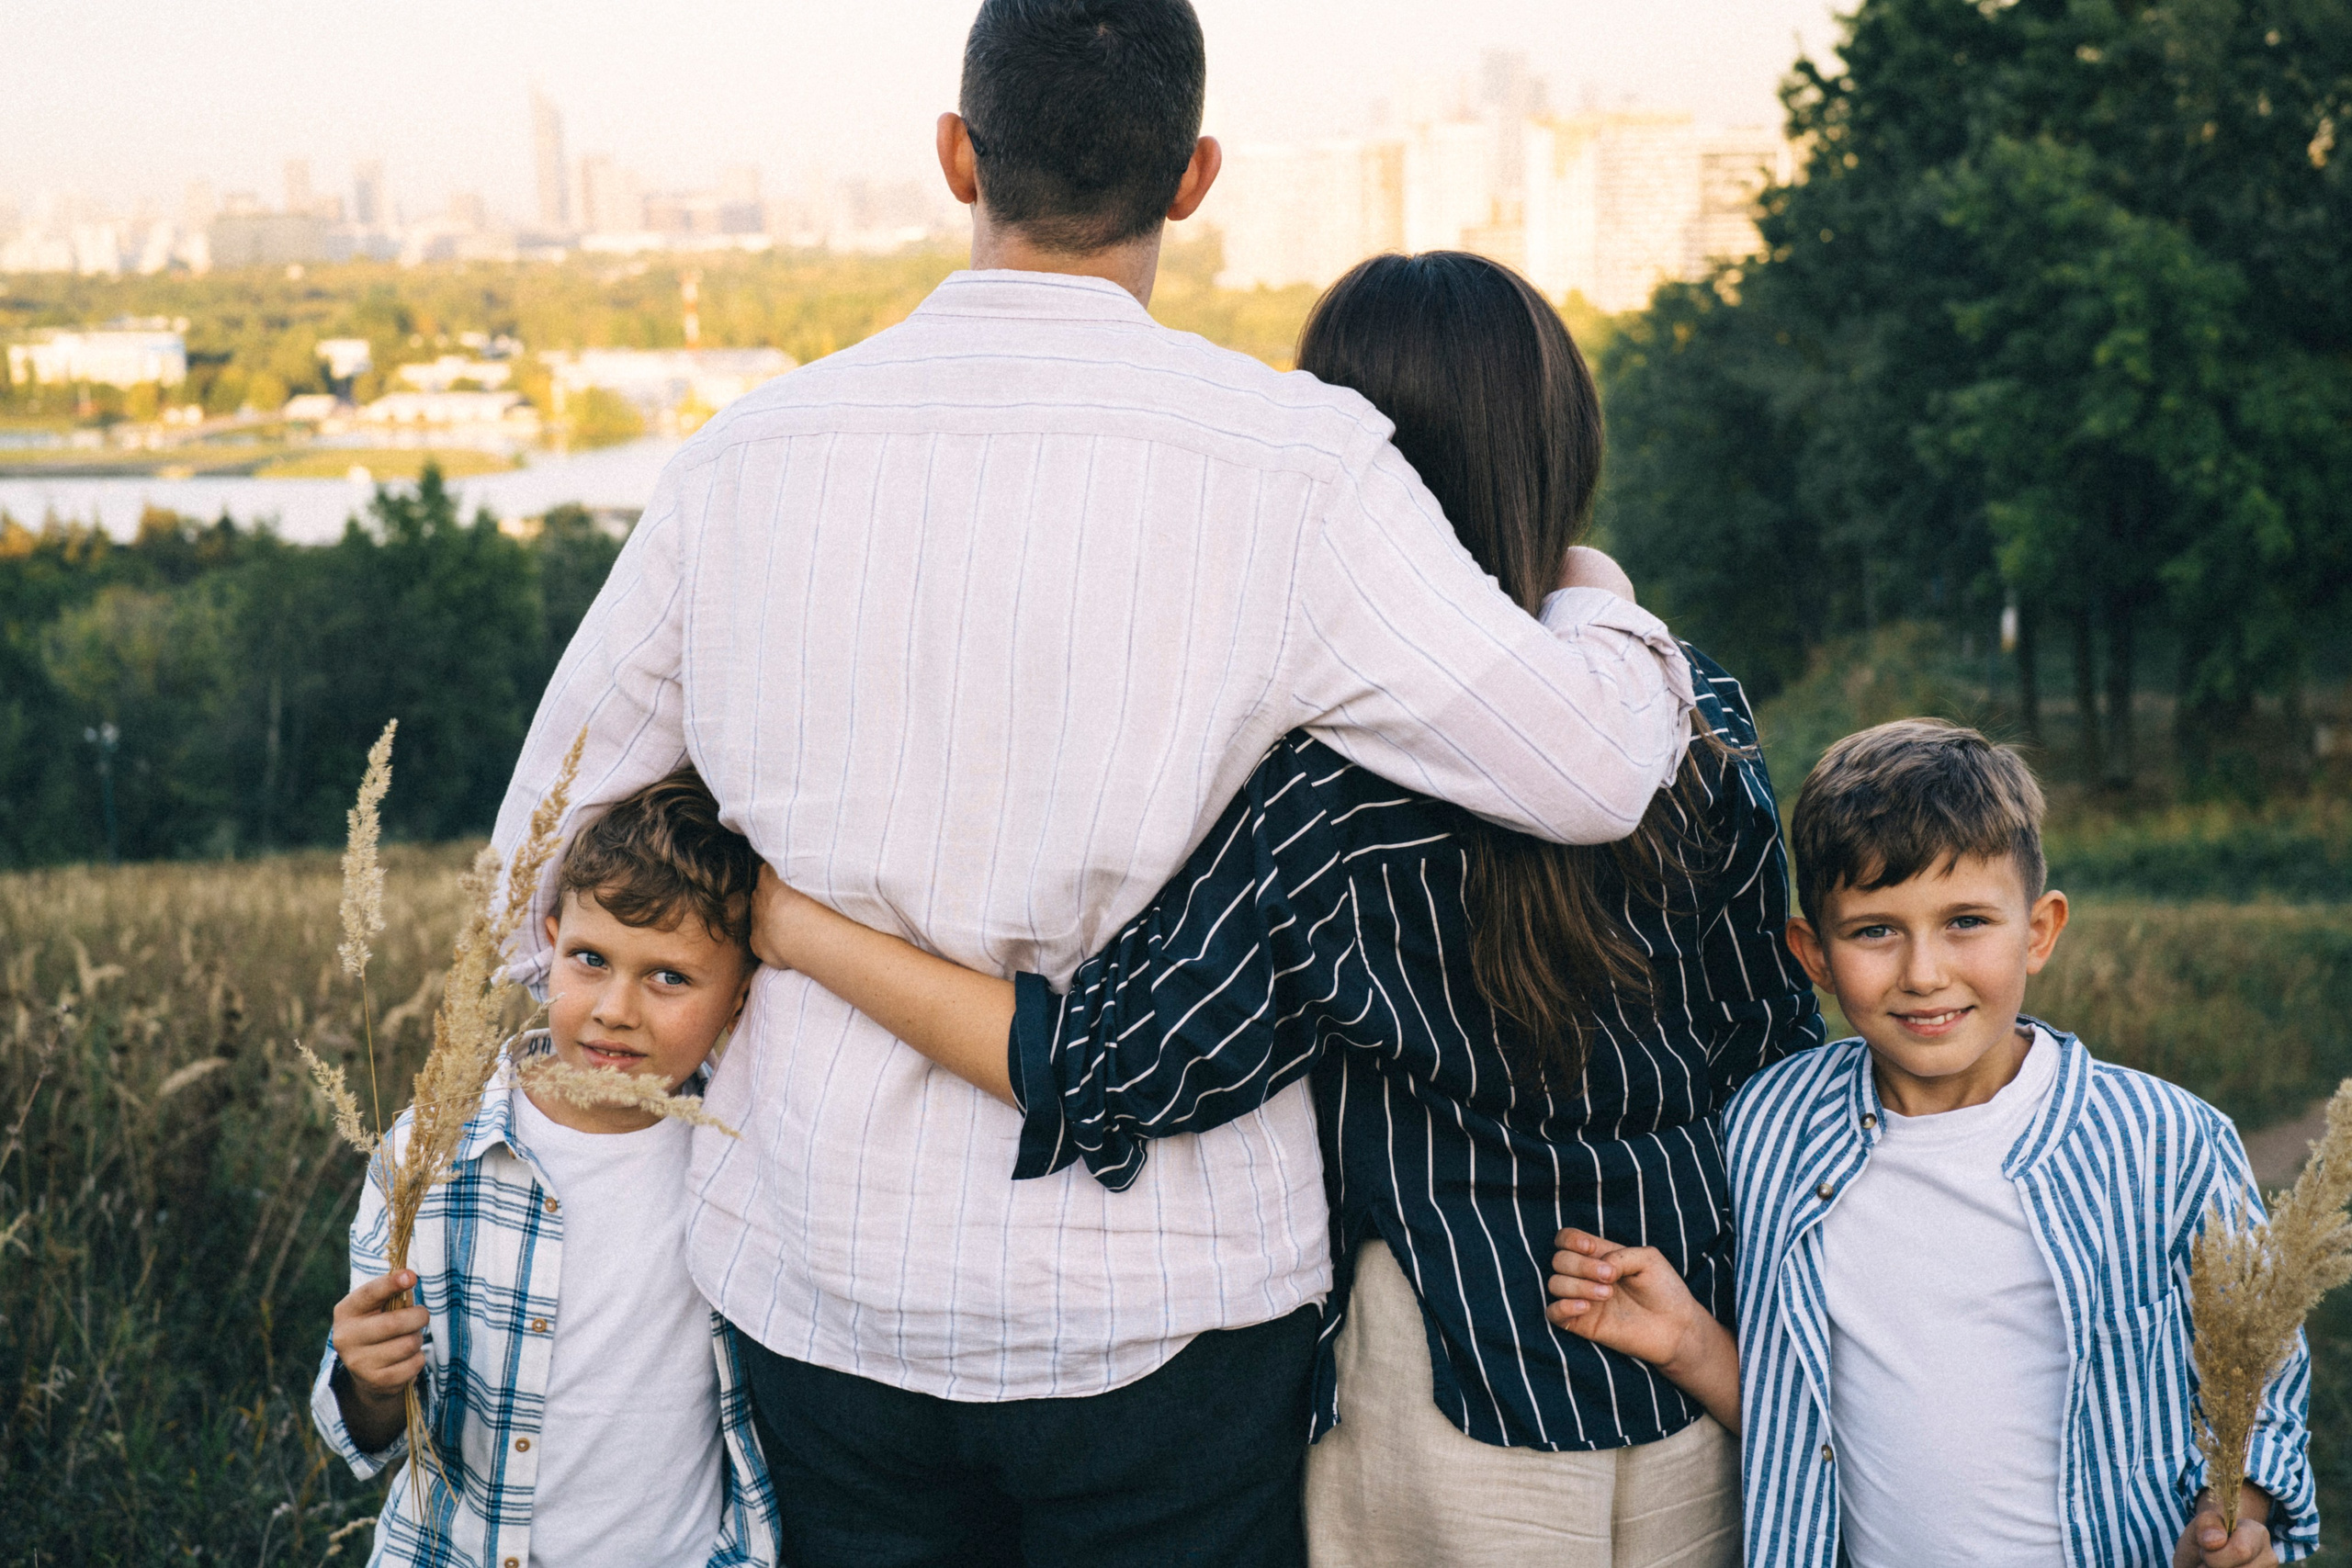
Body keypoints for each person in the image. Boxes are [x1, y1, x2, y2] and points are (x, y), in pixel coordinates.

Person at [491, 3, 1696, 1563]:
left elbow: (543, 858)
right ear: (1192, 178)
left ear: (955, 155)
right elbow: (1595, 769)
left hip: (819, 1272)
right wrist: (1594, 592)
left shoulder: (743, 461)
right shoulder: (1301, 467)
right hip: (1168, 1310)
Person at [744, 250, 1823, 1568]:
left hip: (1447, 1388)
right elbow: (1772, 1055)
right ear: (1569, 442)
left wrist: (795, 925)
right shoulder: (1686, 708)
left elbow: (1101, 1067)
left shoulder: (1329, 788)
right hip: (1699, 1356)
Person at [1544, 719, 2320, 1568]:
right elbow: (1809, 1424)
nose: (1923, 972)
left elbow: (2264, 1377)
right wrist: (1690, 1342)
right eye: (1875, 930)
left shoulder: (2167, 1143)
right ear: (1814, 953)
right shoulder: (1772, 1127)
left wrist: (2234, 1519)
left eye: (1966, 922)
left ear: (2040, 929)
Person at [311, 770, 779, 1568]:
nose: (616, 1008)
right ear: (550, 939)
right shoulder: (431, 1151)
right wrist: (370, 1381)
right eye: (590, 958)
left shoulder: (748, 1151)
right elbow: (372, 1433)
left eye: (670, 976)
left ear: (739, 996)